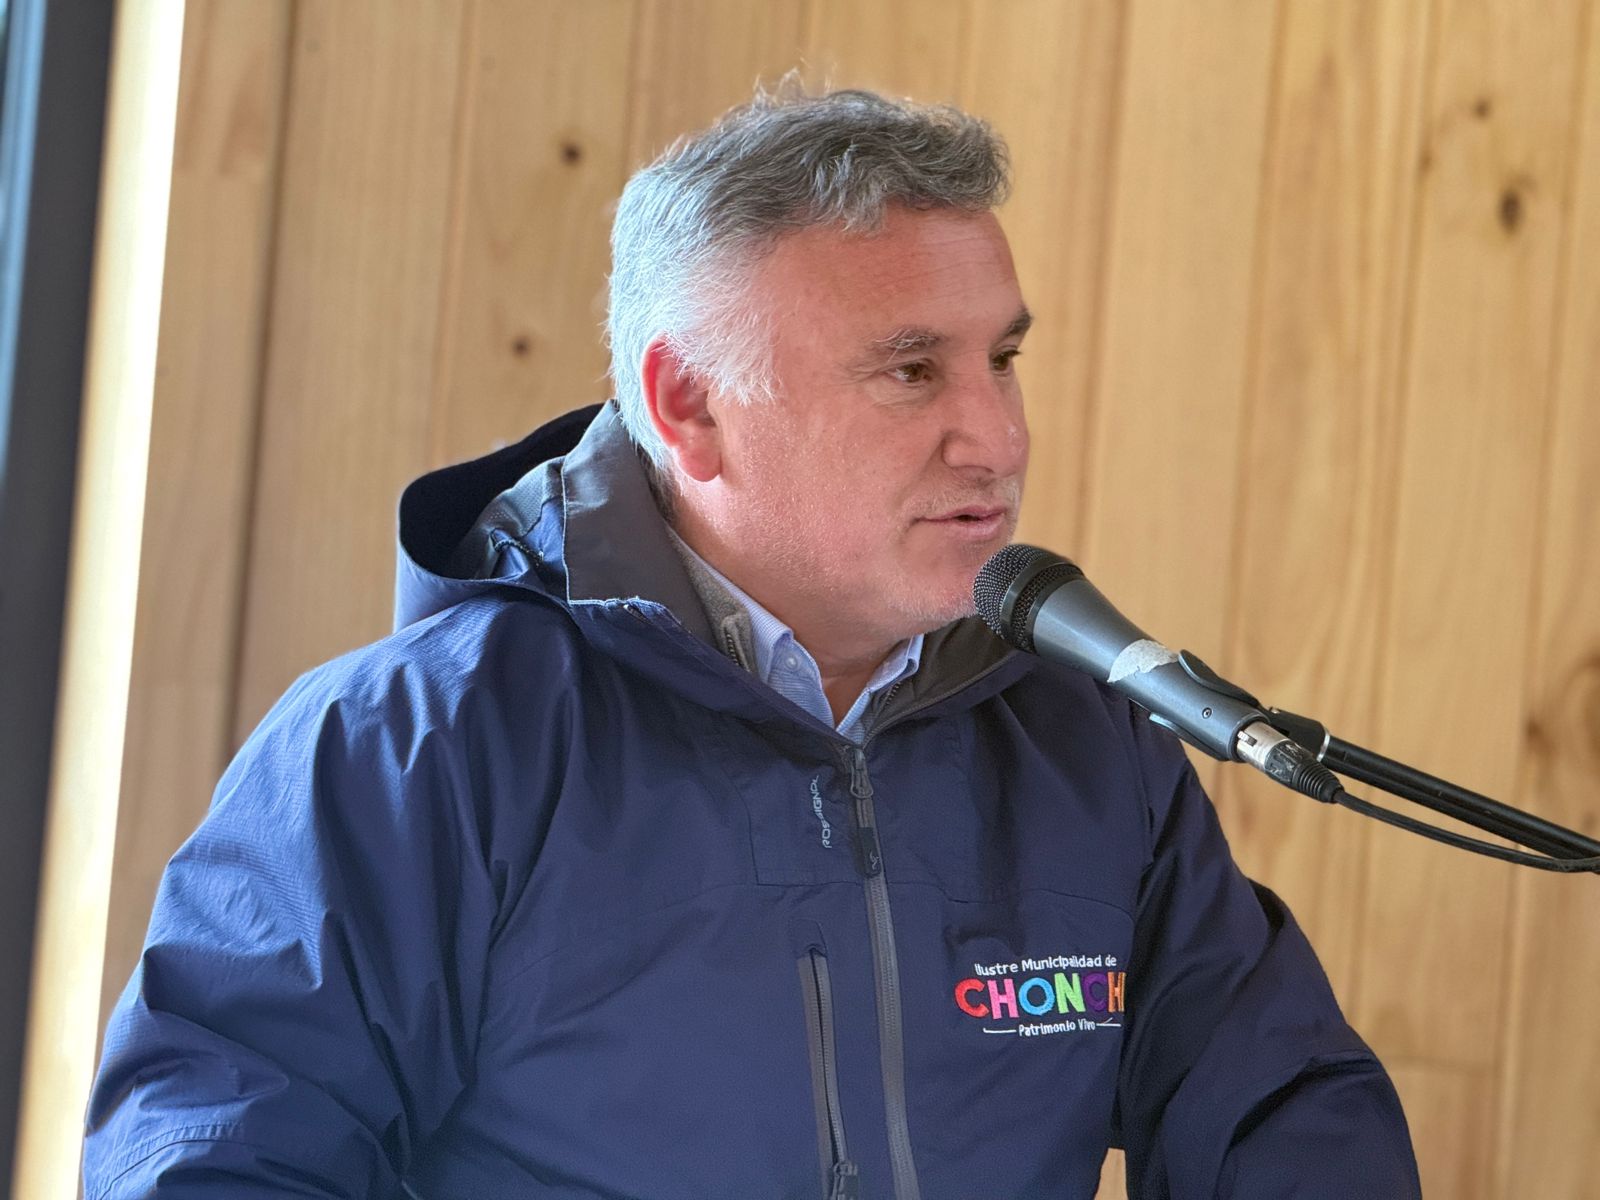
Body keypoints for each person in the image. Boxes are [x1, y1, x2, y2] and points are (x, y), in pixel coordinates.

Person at [83, 83, 1420, 1199]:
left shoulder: (1089, 746)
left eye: (1000, 360)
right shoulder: (413, 746)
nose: (997, 438)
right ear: (691, 406)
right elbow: (210, 1153)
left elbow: (1285, 1121)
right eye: (912, 370)